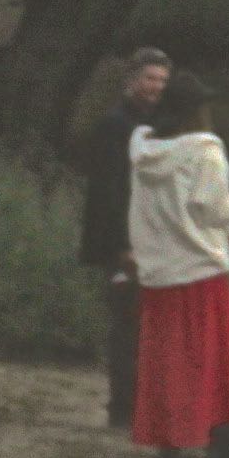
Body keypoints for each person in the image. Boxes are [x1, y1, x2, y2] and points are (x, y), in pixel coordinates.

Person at [127, 71, 229, 458]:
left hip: (159, 270)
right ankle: (217, 433)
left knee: (166, 358)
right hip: (200, 268)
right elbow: (212, 211)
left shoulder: (143, 151)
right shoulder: (205, 153)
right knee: (210, 359)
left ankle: (169, 437)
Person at [80, 47, 173, 428]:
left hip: (157, 238)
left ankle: (147, 405)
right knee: (126, 324)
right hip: (124, 240)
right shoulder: (114, 126)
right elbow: (109, 191)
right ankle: (122, 407)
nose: (156, 86)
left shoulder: (164, 124)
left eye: (162, 80)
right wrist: (122, 245)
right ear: (132, 79)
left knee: (153, 326)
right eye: (150, 78)